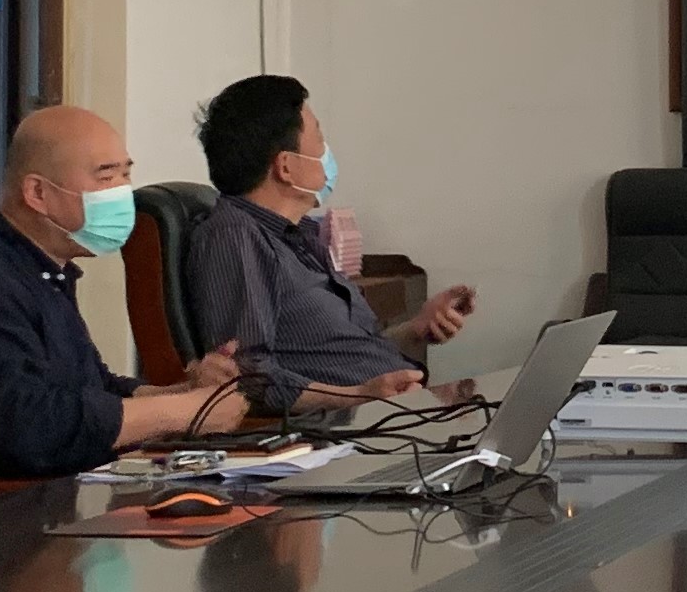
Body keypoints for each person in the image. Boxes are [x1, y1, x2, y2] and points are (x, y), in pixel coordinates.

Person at [0, 105, 251, 479]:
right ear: (37, 192)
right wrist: (182, 413)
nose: (122, 193)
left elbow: (93, 388)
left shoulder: (43, 270)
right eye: (106, 177)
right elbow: (29, 428)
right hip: (14, 505)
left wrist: (188, 393)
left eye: (126, 175)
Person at [181, 74, 476, 411]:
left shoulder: (301, 237)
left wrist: (415, 328)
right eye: (319, 138)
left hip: (393, 411)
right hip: (346, 427)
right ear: (286, 166)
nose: (326, 152)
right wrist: (359, 394)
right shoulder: (234, 236)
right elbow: (246, 378)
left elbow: (337, 354)